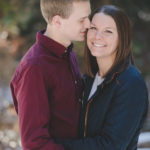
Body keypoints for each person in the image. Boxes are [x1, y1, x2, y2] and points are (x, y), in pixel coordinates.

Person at [55, 5, 149, 150]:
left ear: (122, 38)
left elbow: (111, 145)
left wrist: (53, 146)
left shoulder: (130, 83)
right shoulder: (89, 80)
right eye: (93, 28)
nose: (97, 36)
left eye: (108, 31)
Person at [10, 0, 91, 149]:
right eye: (82, 20)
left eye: (88, 17)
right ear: (57, 21)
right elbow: (34, 143)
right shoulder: (34, 68)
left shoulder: (68, 53)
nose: (88, 24)